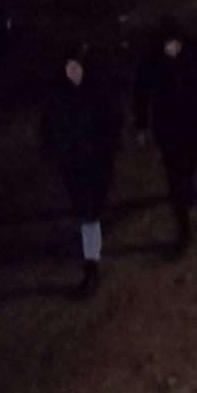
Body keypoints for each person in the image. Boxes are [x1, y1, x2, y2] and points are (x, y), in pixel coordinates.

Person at [41, 44, 120, 296]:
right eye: (68, 68)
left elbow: (112, 123)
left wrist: (105, 151)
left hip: (96, 164)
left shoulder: (98, 91)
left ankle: (91, 262)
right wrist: (57, 152)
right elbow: (47, 127)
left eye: (76, 67)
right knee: (85, 213)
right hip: (73, 165)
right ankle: (90, 262)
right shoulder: (56, 95)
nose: (73, 73)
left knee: (90, 212)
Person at [133, 19, 197, 253]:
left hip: (192, 123)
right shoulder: (152, 61)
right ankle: (184, 226)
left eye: (173, 45)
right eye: (166, 46)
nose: (170, 50)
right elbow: (141, 91)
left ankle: (187, 190)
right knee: (174, 172)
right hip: (167, 126)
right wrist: (142, 125)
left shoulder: (196, 53)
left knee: (190, 163)